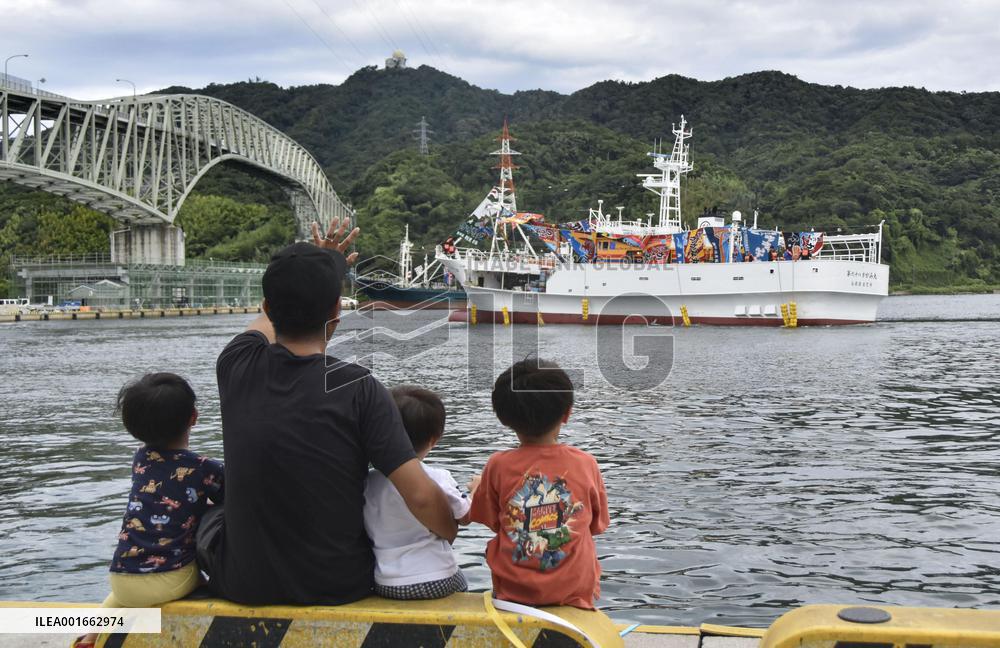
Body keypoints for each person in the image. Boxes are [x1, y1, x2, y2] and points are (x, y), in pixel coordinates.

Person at [197, 219, 457, 605]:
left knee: (209, 509)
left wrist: (320, 265)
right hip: (338, 584)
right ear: (337, 312)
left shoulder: (236, 364)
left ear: (267, 306)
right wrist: (449, 530)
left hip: (243, 583)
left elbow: (267, 320)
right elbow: (419, 497)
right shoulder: (358, 387)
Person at [76, 373, 224, 648]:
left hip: (120, 577)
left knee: (126, 591)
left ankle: (90, 636)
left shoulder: (139, 458)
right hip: (170, 580)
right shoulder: (205, 468)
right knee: (203, 576)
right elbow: (230, 498)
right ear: (194, 417)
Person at [469, 359, 609, 610]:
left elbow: (492, 521)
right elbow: (597, 525)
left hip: (513, 594)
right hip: (573, 591)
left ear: (503, 418)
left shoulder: (497, 465)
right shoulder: (586, 464)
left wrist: (478, 488)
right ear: (567, 413)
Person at [364, 386, 471, 600]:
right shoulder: (438, 477)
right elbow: (466, 516)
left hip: (386, 583)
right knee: (463, 588)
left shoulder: (368, 481)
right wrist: (477, 490)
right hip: (440, 578)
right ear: (434, 439)